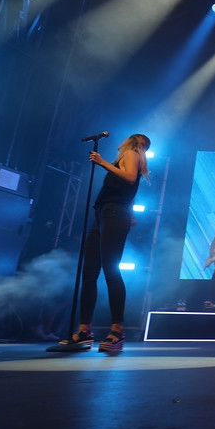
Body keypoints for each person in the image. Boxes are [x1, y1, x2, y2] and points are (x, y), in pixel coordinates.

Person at [49, 133, 150, 354]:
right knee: (89, 272)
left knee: (111, 271)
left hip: (113, 214)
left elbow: (130, 178)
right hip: (105, 213)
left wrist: (102, 162)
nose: (121, 141)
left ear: (132, 141)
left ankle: (117, 331)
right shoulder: (125, 157)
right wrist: (130, 213)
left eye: (125, 139)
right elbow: (130, 192)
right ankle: (85, 330)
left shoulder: (132, 154)